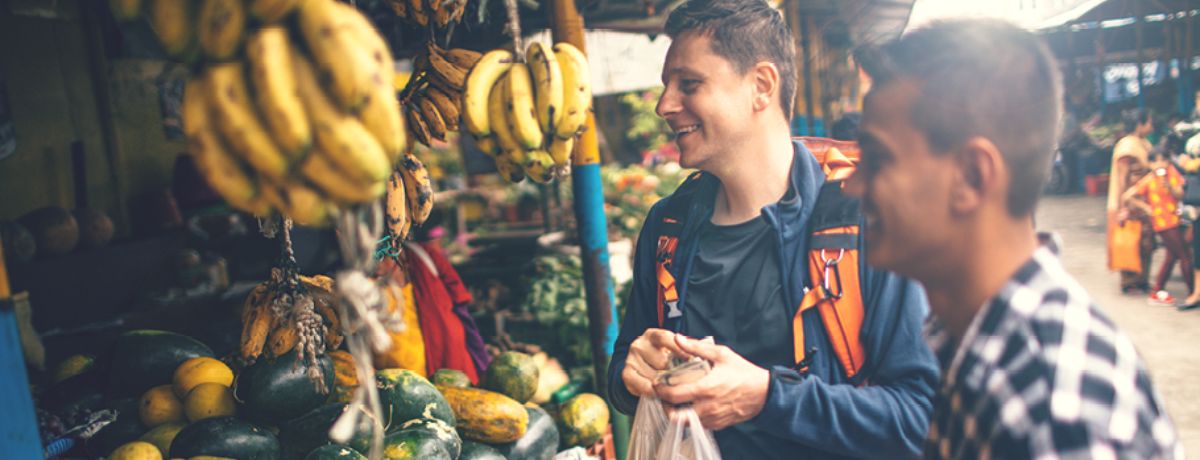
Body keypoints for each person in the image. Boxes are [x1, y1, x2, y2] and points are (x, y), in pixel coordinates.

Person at [606, 0, 939, 458]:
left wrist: (766, 398)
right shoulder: (668, 227)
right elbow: (623, 369)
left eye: (689, 84)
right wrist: (632, 372)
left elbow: (922, 417)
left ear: (761, 86)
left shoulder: (868, 219)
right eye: (667, 86)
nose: (665, 105)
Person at [846, 19, 1181, 458]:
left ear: (971, 176)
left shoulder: (1054, 408)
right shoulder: (971, 339)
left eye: (878, 159)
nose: (852, 186)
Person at [1123, 153, 1193, 306]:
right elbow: (1127, 196)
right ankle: (1192, 293)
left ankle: (1157, 291)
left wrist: (1170, 186)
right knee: (1184, 256)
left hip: (1176, 220)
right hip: (1163, 223)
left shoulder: (1172, 173)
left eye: (1164, 160)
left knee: (1171, 257)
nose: (1161, 164)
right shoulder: (1148, 180)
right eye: (1157, 161)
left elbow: (1180, 195)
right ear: (1150, 164)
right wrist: (1146, 208)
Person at [1108, 109, 1155, 293]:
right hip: (1131, 201)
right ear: (1139, 124)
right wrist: (1122, 207)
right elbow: (1122, 179)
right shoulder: (1126, 146)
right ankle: (1129, 281)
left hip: (1144, 200)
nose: (1151, 126)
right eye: (1149, 122)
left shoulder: (1143, 143)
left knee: (1146, 242)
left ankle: (1142, 279)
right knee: (1130, 240)